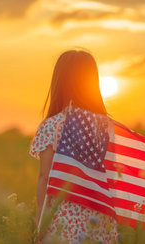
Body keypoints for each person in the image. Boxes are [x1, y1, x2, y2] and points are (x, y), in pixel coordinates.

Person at [29, 49, 118, 243]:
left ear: (58, 83)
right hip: (100, 216)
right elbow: (112, 175)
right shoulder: (105, 127)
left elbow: (45, 178)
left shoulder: (52, 126)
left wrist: (40, 222)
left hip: (64, 219)